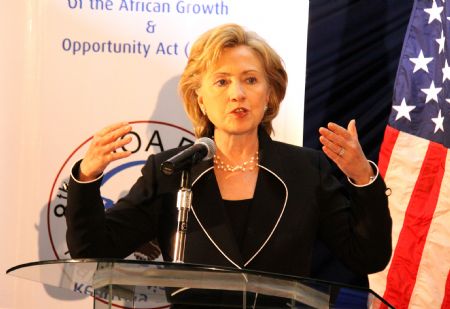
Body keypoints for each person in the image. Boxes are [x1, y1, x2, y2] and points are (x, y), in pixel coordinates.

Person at [65, 23, 392, 305]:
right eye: (221, 82)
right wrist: (87, 176)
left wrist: (363, 178)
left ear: (269, 95)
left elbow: (368, 256)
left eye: (250, 80)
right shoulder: (170, 172)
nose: (237, 93)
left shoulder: (305, 171)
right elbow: (93, 250)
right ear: (200, 99)